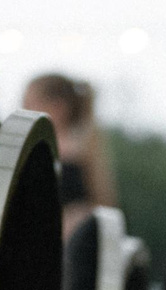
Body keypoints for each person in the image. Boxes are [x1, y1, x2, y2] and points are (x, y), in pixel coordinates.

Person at [23, 71, 117, 236]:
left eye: (30, 104)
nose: (24, 110)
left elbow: (103, 200)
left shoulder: (82, 147)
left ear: (58, 106)